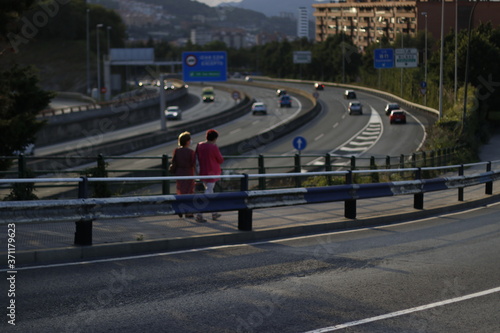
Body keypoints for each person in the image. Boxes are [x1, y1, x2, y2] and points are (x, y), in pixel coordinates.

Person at [195, 129, 224, 223]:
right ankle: (199, 213)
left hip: (203, 171)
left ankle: (214, 212)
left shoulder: (199, 145)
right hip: (212, 171)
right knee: (208, 191)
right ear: (215, 138)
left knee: (210, 191)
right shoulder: (213, 147)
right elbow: (220, 159)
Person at [171, 131, 196, 218]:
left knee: (180, 191)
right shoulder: (191, 152)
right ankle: (188, 212)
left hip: (179, 173)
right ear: (187, 141)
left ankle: (179, 208)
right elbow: (193, 163)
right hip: (189, 173)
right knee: (189, 192)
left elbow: (173, 161)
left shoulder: (177, 151)